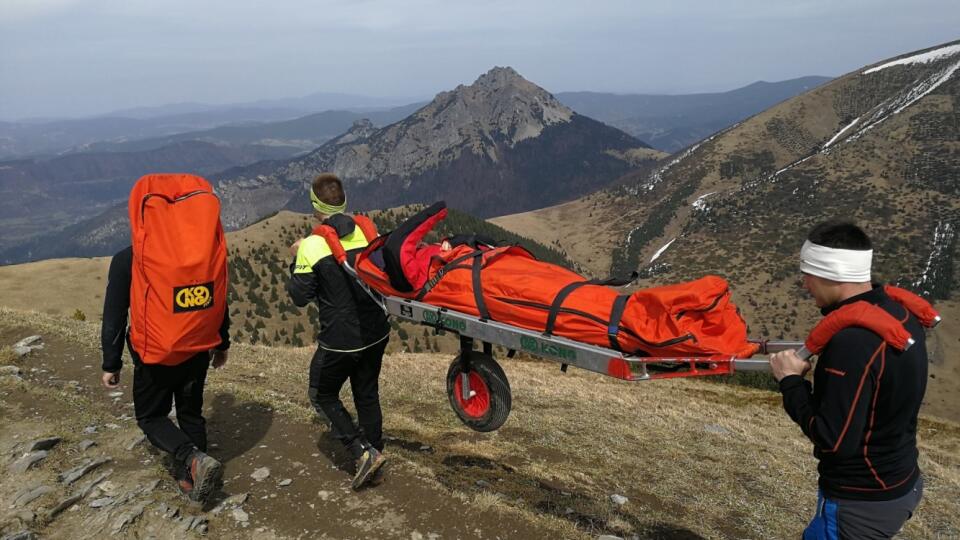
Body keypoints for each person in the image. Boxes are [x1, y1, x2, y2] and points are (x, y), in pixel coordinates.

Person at [770, 221, 927, 539]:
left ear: (831, 274)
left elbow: (833, 440)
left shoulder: (851, 342)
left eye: (807, 274)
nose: (804, 284)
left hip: (859, 501)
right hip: (900, 479)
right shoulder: (898, 313)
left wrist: (790, 382)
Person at [100, 247, 230, 502]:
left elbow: (114, 314)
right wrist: (222, 343)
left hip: (154, 357)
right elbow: (218, 299)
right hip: (197, 349)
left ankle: (193, 458)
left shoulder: (129, 258)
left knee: (150, 416)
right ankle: (192, 478)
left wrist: (111, 363)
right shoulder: (197, 254)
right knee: (190, 412)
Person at [287, 172, 391, 490]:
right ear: (344, 200)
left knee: (322, 393)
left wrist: (295, 258)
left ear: (314, 206)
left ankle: (361, 453)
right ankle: (374, 449)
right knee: (366, 392)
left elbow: (299, 297)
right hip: (377, 330)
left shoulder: (313, 245)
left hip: (341, 339)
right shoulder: (366, 231)